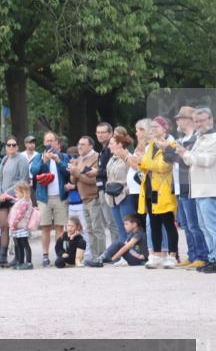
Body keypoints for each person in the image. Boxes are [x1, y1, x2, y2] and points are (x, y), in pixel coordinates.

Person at [87, 129, 136, 266]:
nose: (109, 146)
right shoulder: (112, 158)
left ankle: (129, 254)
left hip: (124, 195)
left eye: (112, 143)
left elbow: (131, 176)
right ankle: (122, 255)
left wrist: (125, 190)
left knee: (129, 227)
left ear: (120, 144)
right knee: (120, 228)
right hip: (112, 196)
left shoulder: (128, 157)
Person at [177, 107, 216, 273]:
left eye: (203, 120)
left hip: (209, 190)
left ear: (211, 120)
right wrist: (184, 154)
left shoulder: (214, 139)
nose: (199, 124)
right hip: (198, 190)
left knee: (212, 227)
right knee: (204, 227)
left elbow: (207, 161)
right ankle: (211, 257)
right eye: (197, 121)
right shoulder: (199, 139)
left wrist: (185, 153)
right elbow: (189, 161)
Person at [139, 117, 179, 269]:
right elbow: (143, 165)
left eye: (156, 126)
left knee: (168, 223)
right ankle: (156, 255)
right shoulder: (150, 145)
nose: (153, 129)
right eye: (152, 127)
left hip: (164, 189)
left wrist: (147, 163)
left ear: (165, 128)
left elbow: (164, 166)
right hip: (150, 188)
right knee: (154, 223)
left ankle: (173, 255)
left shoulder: (171, 145)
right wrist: (146, 163)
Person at [30, 131, 70, 267]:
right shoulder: (39, 157)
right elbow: (34, 171)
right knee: (45, 227)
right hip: (44, 198)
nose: (49, 143)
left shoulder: (63, 156)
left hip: (60, 196)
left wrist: (58, 162)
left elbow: (69, 172)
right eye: (47, 141)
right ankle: (45, 255)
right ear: (44, 143)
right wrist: (43, 161)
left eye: (51, 140)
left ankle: (59, 254)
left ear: (57, 143)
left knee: (60, 227)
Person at [0, 136, 29, 268]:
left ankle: (19, 257)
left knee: (15, 226)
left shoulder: (22, 160)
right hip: (3, 197)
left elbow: (23, 180)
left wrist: (8, 193)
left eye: (14, 145)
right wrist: (0, 193)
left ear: (18, 146)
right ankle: (2, 256)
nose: (11, 147)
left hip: (15, 198)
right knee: (3, 225)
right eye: (9, 145)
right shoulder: (4, 160)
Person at [68, 136, 102, 261]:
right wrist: (73, 171)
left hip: (94, 197)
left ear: (91, 146)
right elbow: (73, 180)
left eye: (83, 144)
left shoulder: (96, 157)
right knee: (89, 230)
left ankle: (101, 255)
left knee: (97, 229)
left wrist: (77, 173)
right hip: (84, 199)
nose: (80, 146)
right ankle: (93, 256)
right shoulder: (79, 159)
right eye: (79, 144)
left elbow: (93, 180)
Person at [92, 122, 117, 243]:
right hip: (102, 189)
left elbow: (110, 170)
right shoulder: (103, 150)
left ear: (111, 133)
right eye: (98, 132)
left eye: (103, 132)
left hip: (111, 190)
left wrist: (96, 172)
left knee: (113, 223)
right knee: (110, 223)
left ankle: (117, 253)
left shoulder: (111, 150)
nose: (100, 135)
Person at [8, 181, 35, 270]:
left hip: (21, 227)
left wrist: (13, 224)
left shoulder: (24, 202)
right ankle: (20, 262)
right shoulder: (20, 201)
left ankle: (28, 262)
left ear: (23, 192)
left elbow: (20, 215)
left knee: (24, 244)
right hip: (17, 228)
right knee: (18, 245)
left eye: (17, 192)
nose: (15, 194)